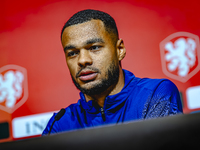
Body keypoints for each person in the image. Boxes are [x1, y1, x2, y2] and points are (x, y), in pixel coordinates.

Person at [42, 9, 182, 135]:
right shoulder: (60, 124)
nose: (82, 60)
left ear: (119, 50)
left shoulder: (154, 95)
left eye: (94, 47)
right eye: (72, 53)